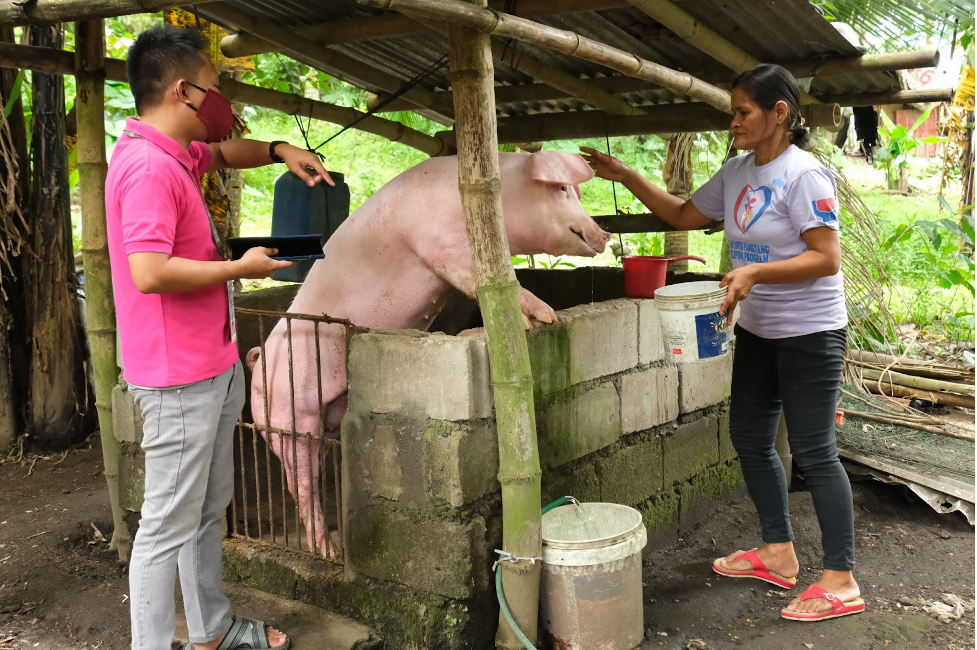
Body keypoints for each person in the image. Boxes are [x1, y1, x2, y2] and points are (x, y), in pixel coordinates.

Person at [581, 64, 862, 622]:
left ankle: (841, 579)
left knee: (813, 451)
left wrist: (753, 276)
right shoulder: (736, 173)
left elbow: (826, 259)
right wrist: (625, 174)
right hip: (759, 329)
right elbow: (683, 213)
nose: (733, 122)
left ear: (778, 113)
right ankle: (778, 554)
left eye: (742, 113)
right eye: (732, 112)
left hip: (811, 334)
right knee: (750, 437)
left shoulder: (803, 176)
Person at [105, 25, 334, 650]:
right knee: (164, 528)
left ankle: (211, 631)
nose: (222, 101)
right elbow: (148, 272)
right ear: (183, 92)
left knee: (206, 511)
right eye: (215, 88)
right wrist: (240, 268)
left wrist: (284, 148)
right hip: (177, 377)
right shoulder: (151, 168)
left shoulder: (175, 150)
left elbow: (227, 152)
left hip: (211, 363)